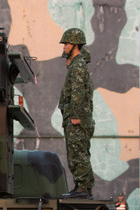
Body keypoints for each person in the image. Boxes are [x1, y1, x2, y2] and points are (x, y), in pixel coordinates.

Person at [58, 28, 95, 199]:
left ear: (74, 45)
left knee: (77, 152)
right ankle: (81, 187)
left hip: (76, 118)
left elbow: (78, 92)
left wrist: (76, 116)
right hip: (75, 116)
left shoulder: (78, 65)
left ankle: (83, 188)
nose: (64, 47)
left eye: (66, 43)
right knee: (77, 152)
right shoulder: (77, 65)